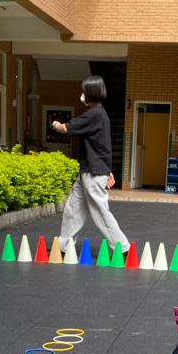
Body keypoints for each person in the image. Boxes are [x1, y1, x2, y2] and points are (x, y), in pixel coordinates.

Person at [53, 75, 129, 255]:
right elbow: (104, 145)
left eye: (84, 91)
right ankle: (64, 246)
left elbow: (67, 128)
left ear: (91, 93)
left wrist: (56, 125)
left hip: (93, 172)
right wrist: (107, 170)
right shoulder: (101, 115)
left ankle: (122, 248)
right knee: (73, 209)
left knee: (100, 212)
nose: (82, 95)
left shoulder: (94, 114)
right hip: (89, 170)